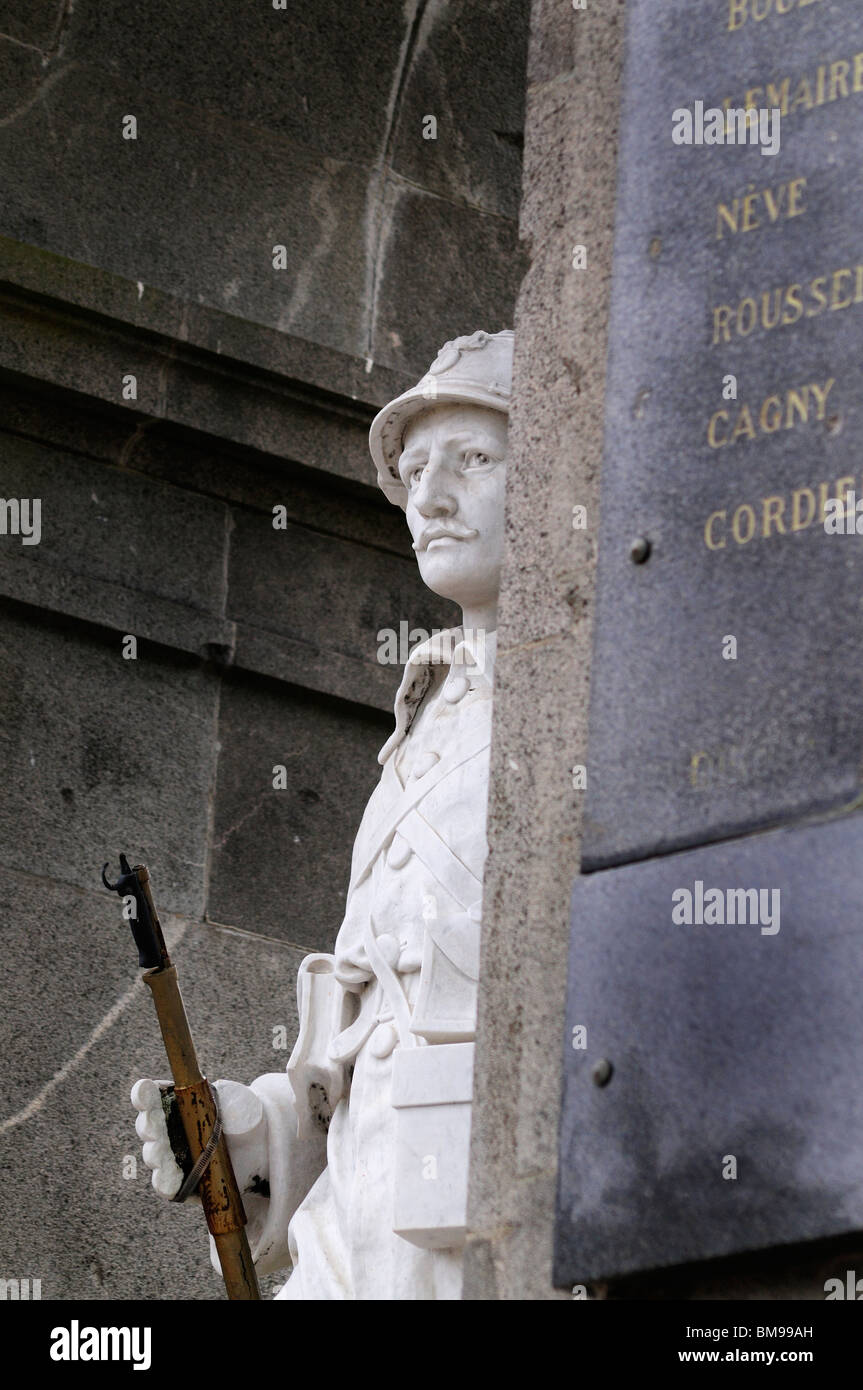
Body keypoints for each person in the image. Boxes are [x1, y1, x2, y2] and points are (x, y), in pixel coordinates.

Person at [132, 329, 513, 1299]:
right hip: (354, 1211)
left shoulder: (596, 697)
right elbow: (349, 1029)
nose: (427, 499)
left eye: (472, 461)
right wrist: (250, 1131)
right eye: (416, 470)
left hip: (482, 1196)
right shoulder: (418, 727)